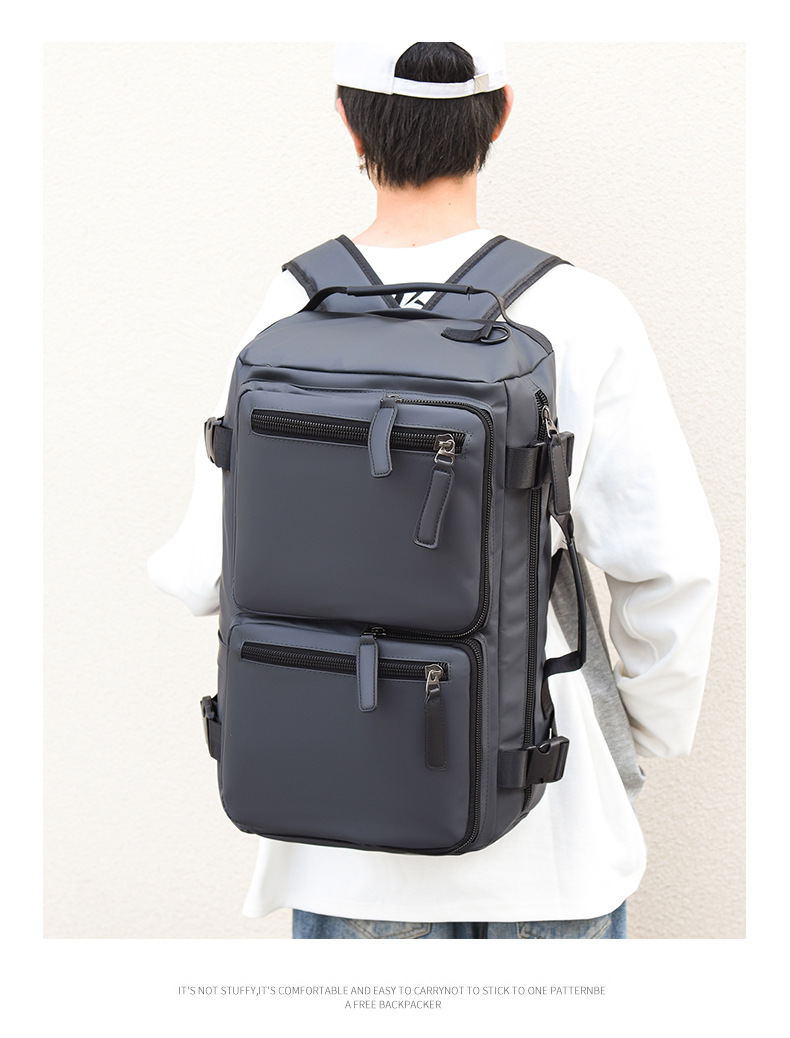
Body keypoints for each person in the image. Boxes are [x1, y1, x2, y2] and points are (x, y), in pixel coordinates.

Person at [147, 42, 720, 940]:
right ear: (500, 114)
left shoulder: (292, 304)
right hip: (544, 824)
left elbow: (203, 574)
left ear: (347, 119)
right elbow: (671, 565)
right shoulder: (580, 307)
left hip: (339, 840)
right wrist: (635, 737)